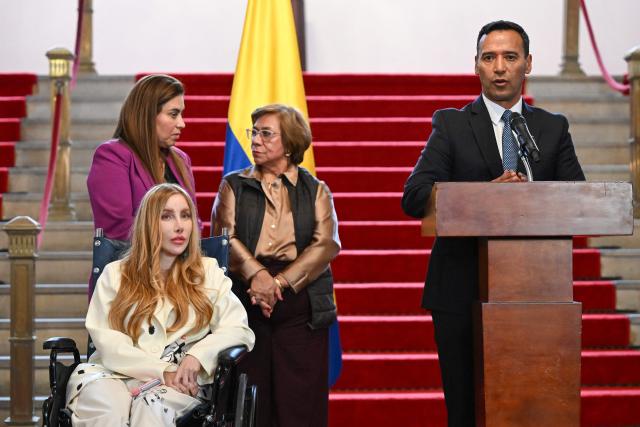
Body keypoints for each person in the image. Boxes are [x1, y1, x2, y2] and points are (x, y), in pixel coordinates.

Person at [401, 20, 585, 426]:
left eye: (510, 57)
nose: (500, 67)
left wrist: (528, 195)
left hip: (538, 294)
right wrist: (486, 196)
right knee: (466, 410)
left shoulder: (551, 128)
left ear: (528, 64)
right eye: (490, 58)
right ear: (477, 66)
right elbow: (414, 196)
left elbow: (580, 201)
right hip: (460, 291)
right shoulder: (450, 124)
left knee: (532, 408)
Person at [65, 183, 255, 426]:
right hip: (113, 373)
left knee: (151, 407)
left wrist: (197, 356)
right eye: (167, 216)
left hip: (179, 380)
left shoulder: (208, 273)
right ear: (148, 223)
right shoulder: (115, 274)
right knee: (108, 410)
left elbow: (238, 330)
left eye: (185, 215)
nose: (179, 226)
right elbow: (107, 341)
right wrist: (160, 370)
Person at [211, 104, 341, 427]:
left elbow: (325, 244)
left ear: (290, 142)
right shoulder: (233, 185)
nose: (256, 140)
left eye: (265, 133)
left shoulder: (316, 190)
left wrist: (278, 283)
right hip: (247, 301)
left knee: (300, 404)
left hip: (300, 302)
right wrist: (257, 275)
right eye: (253, 132)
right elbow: (224, 238)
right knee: (250, 403)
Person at [87, 74, 198, 243]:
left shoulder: (181, 159)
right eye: (173, 114)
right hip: (132, 267)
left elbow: (193, 222)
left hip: (180, 267)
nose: (182, 123)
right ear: (147, 115)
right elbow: (119, 230)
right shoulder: (112, 155)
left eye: (181, 114)